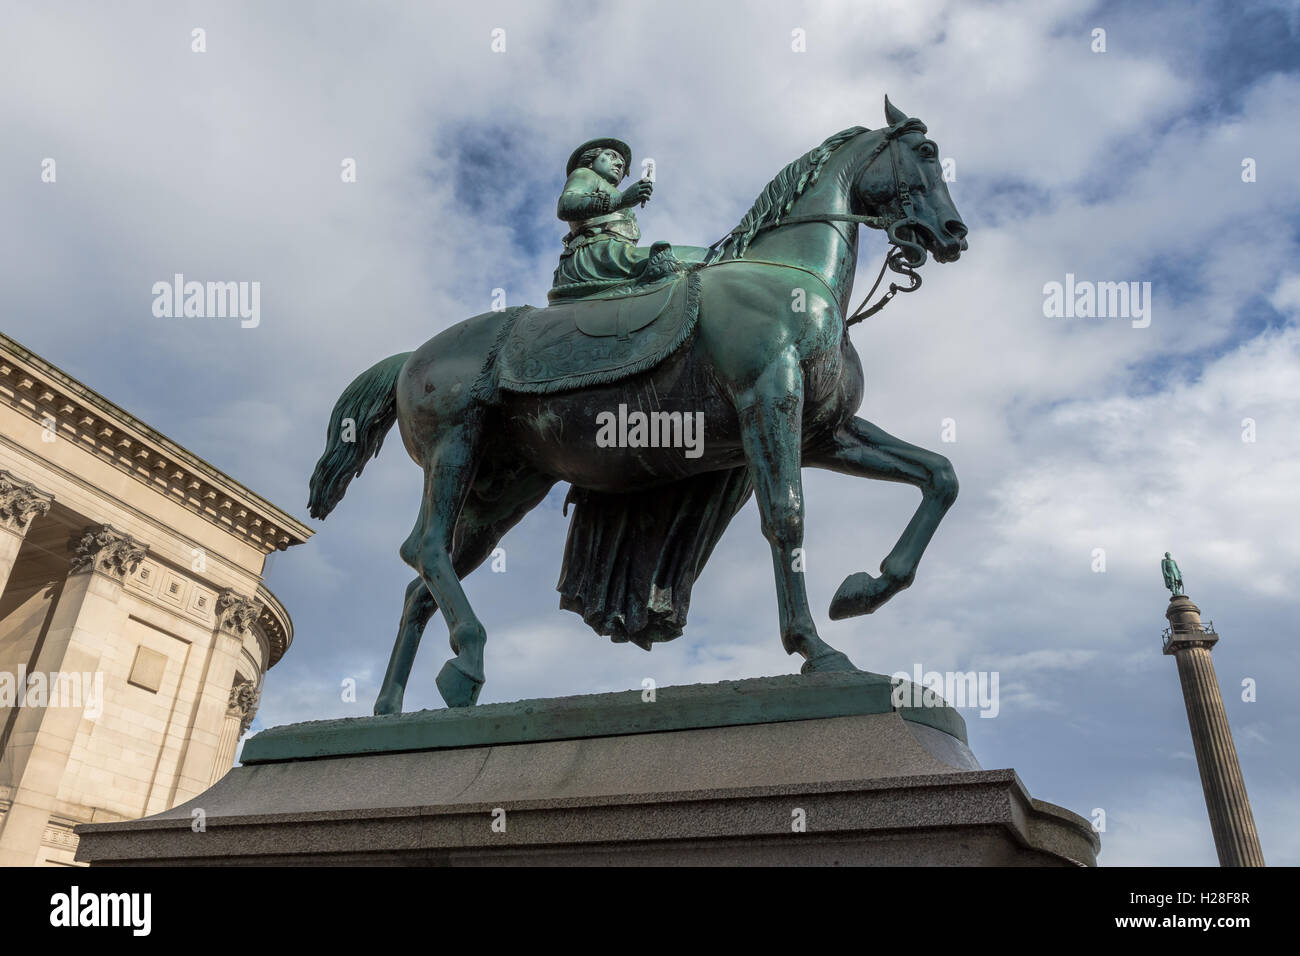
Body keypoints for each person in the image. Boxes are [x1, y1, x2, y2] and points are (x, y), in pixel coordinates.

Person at [551, 137, 703, 299]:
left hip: (614, 252)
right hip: (598, 254)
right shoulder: (584, 174)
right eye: (611, 156)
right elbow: (565, 205)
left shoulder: (610, 190)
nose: (619, 164)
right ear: (589, 161)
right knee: (694, 258)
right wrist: (620, 200)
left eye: (622, 163)